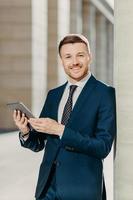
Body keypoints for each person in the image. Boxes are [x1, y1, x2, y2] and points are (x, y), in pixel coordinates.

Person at [13, 34, 116, 200]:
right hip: (47, 189)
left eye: (80, 55)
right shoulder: (54, 95)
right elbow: (38, 143)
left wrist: (61, 130)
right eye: (68, 56)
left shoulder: (105, 93)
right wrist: (26, 131)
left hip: (81, 190)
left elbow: (102, 147)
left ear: (89, 57)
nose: (74, 62)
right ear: (61, 60)